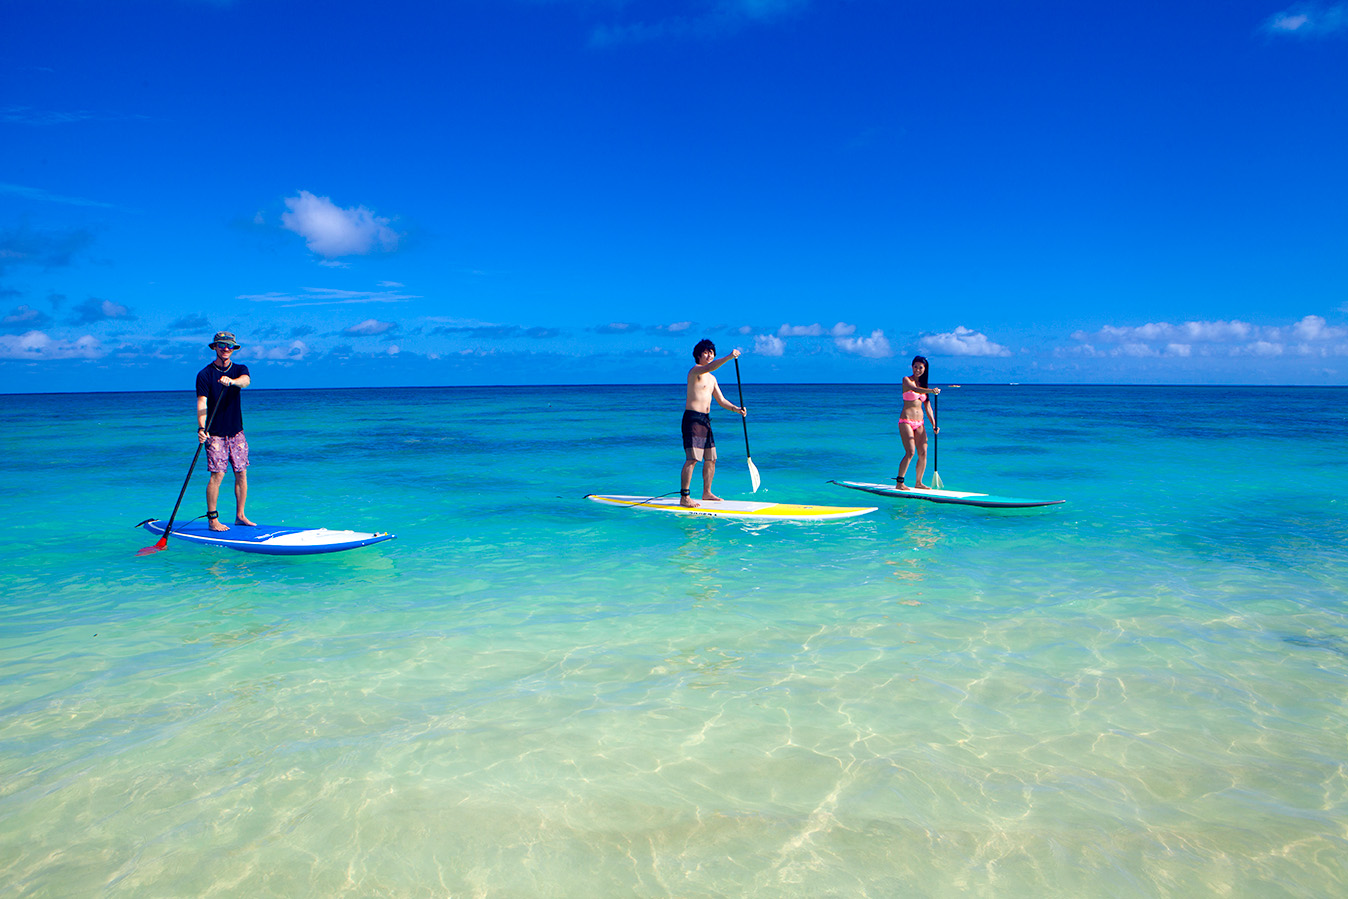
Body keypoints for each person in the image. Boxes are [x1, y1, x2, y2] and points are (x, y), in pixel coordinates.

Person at [196, 330, 255, 531]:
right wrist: (202, 428)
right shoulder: (205, 375)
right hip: (215, 433)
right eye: (222, 345)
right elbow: (202, 403)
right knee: (218, 475)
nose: (226, 349)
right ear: (215, 348)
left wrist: (232, 382)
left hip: (236, 431)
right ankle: (213, 520)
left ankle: (240, 516)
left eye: (229, 346)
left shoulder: (239, 369)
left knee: (241, 473)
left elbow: (245, 381)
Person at [680, 339, 747, 507]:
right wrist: (729, 357)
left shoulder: (712, 379)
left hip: (705, 420)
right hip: (692, 419)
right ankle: (685, 497)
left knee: (711, 458)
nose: (709, 354)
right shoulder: (696, 371)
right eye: (706, 352)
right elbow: (709, 367)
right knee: (693, 459)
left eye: (711, 352)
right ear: (698, 355)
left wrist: (737, 409)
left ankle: (707, 492)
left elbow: (721, 400)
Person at [895, 354, 940, 490]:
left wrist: (934, 424)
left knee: (923, 453)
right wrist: (931, 391)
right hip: (906, 421)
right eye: (915, 367)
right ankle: (900, 483)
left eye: (920, 367)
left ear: (925, 369)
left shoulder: (924, 385)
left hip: (920, 423)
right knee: (910, 452)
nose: (917, 370)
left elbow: (928, 408)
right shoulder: (906, 380)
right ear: (912, 367)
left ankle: (918, 483)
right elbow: (914, 390)